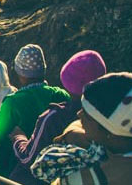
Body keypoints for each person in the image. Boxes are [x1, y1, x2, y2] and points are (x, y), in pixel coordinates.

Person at [31, 72, 132, 185]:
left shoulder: (94, 177)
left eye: (87, 116)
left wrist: (71, 135)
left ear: (110, 132)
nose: (79, 114)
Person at [9, 50, 107, 185]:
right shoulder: (107, 117)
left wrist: (18, 138)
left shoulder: (54, 117)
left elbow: (29, 159)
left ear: (67, 81)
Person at [0, 44, 71, 176]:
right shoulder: (61, 95)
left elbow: (0, 142)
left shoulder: (12, 102)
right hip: (57, 169)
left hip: (19, 170)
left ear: (19, 72)